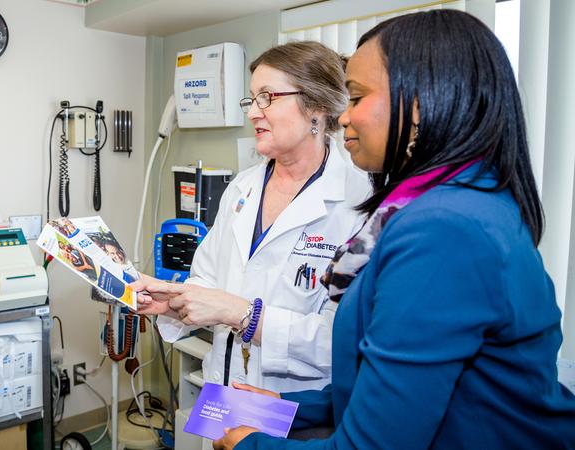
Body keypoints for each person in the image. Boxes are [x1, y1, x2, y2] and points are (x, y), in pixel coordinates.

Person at [214, 10, 575, 450]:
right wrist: (290, 407)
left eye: (358, 97)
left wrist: (249, 445)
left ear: (420, 103)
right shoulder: (430, 208)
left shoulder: (444, 230)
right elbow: (399, 386)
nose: (344, 118)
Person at [132, 41, 370, 393]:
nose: (253, 112)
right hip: (224, 390)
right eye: (252, 99)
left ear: (317, 107)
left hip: (295, 408)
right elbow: (207, 278)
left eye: (267, 97)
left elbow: (343, 340)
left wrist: (240, 313)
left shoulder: (359, 202)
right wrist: (172, 302)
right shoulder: (242, 188)